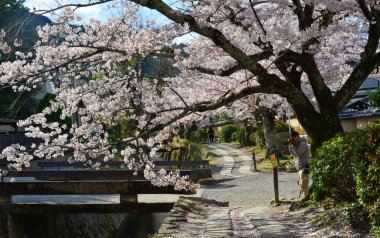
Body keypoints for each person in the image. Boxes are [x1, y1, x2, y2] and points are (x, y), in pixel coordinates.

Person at [288, 130, 311, 199]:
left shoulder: (303, 144)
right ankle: (305, 197)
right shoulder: (298, 143)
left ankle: (306, 198)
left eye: (293, 138)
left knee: (304, 184)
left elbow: (298, 153)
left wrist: (292, 146)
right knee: (301, 183)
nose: (293, 140)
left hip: (304, 165)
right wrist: (290, 147)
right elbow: (295, 155)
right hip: (300, 166)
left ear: (297, 136)